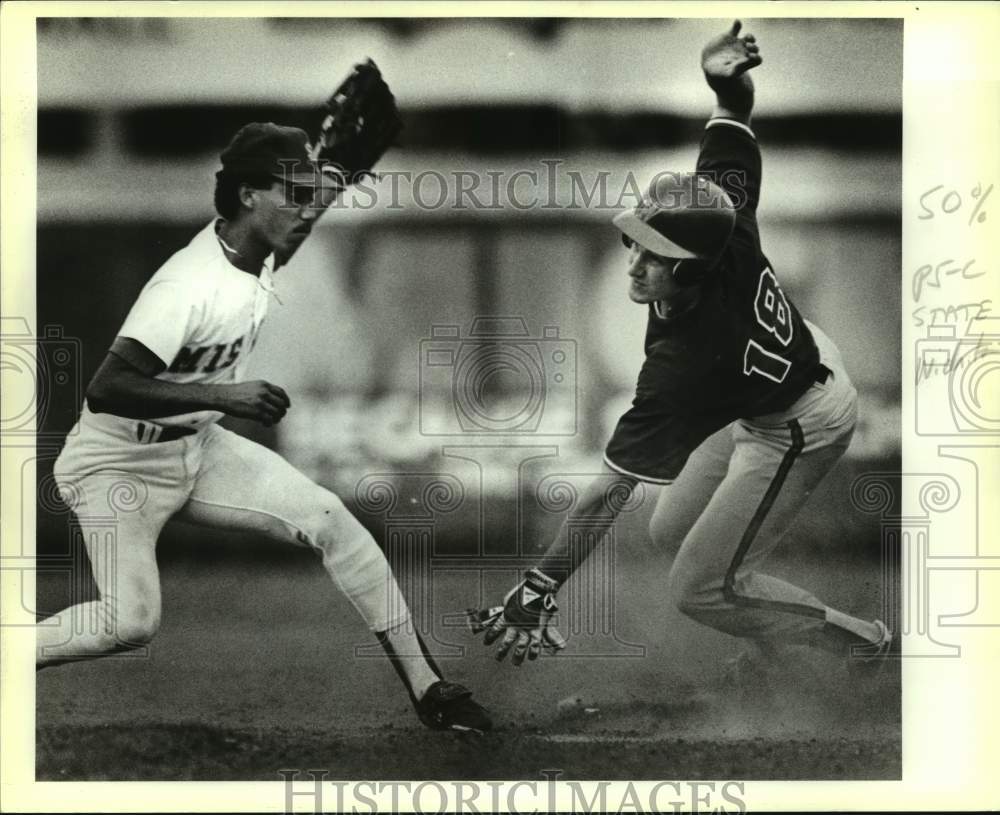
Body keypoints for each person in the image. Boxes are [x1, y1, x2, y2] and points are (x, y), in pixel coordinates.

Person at [37, 122, 492, 733]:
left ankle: (429, 688)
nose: (308, 208)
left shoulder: (259, 245)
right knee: (130, 625)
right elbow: (107, 388)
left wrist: (344, 164)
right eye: (294, 193)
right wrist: (228, 395)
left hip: (195, 447)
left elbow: (303, 211)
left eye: (312, 193)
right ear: (249, 196)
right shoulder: (186, 284)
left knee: (332, 519)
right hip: (115, 463)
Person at [470, 22, 892, 674]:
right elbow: (732, 119)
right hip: (770, 378)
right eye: (636, 239)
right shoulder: (723, 214)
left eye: (656, 254)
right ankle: (775, 633)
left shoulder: (687, 362)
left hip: (800, 420)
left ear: (692, 271)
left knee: (698, 587)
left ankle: (860, 641)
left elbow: (607, 494)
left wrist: (541, 582)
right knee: (671, 530)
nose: (635, 262)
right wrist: (725, 84)